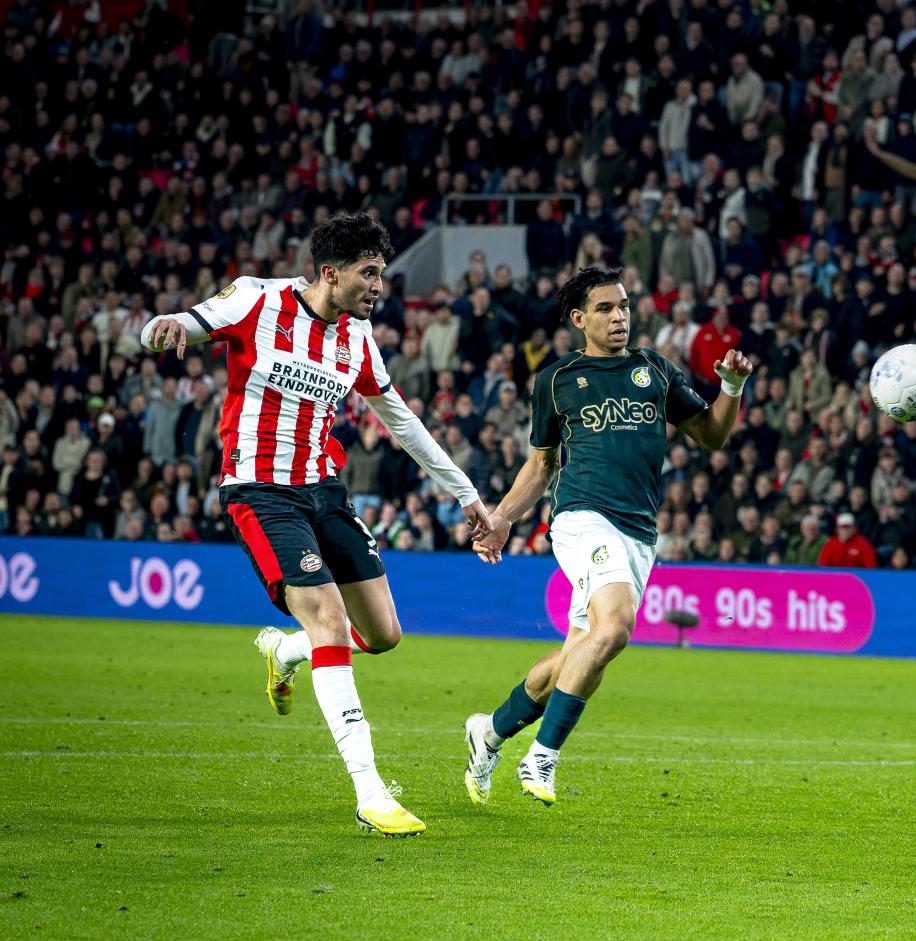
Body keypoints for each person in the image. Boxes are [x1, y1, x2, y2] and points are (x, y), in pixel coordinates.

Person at [138, 213, 489, 837]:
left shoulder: (358, 337)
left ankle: (286, 648)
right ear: (330, 272)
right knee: (329, 616)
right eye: (369, 273)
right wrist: (160, 329)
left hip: (323, 490)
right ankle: (370, 790)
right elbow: (184, 323)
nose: (379, 285)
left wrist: (467, 495)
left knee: (382, 634)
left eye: (380, 272)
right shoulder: (256, 299)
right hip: (259, 487)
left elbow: (402, 423)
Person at [461, 267, 751, 806]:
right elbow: (541, 466)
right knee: (616, 626)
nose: (619, 317)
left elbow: (711, 435)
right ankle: (541, 760)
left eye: (623, 306)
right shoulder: (555, 380)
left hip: (639, 532)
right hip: (581, 516)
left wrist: (731, 386)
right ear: (579, 319)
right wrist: (501, 518)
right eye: (604, 308)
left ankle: (490, 731)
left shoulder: (654, 371)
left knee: (581, 653)